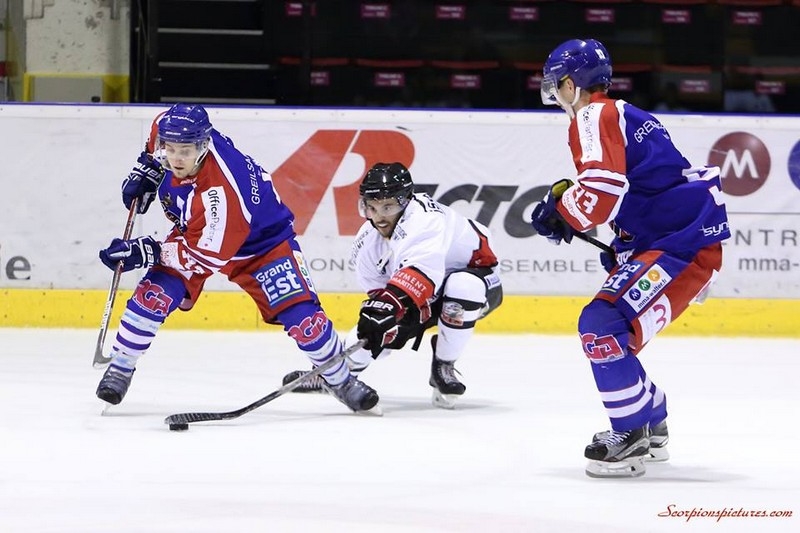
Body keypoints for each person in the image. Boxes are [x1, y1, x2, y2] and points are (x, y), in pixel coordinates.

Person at [95, 104, 379, 414]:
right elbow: (159, 136)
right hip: (199, 234)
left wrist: (145, 251)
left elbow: (203, 257)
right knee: (154, 294)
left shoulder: (219, 195)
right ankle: (121, 366)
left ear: (204, 146)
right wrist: (147, 167)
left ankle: (340, 381)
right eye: (170, 148)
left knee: (303, 319)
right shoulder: (169, 128)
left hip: (262, 246)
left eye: (185, 151)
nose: (176, 158)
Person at [531, 39, 730, 478]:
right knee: (611, 329)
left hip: (679, 246)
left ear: (570, 82)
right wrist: (626, 246)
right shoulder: (626, 116)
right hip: (678, 241)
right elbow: (648, 189)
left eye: (557, 86)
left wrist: (561, 213)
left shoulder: (592, 114)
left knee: (602, 326)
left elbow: (602, 192)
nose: (556, 97)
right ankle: (650, 418)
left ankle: (633, 430)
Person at [282, 162, 503, 409]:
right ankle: (331, 375)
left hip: (479, 278)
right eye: (372, 207)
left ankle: (444, 365)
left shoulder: (426, 219)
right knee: (378, 327)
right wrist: (380, 325)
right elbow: (381, 297)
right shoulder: (366, 244)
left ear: (406, 201)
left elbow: (422, 272)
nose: (380, 217)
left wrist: (389, 306)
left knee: (463, 286)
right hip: (423, 289)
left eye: (389, 206)